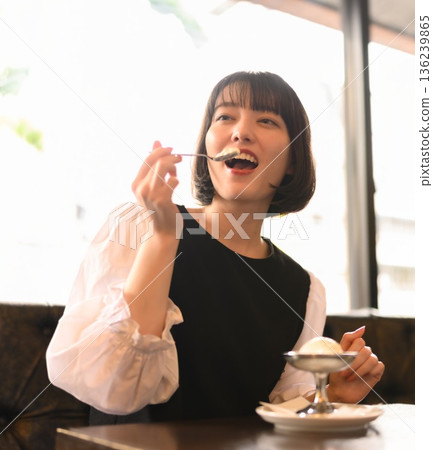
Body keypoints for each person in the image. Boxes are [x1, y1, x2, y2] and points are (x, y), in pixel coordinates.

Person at [46, 71, 384, 424]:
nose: (241, 131)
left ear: (292, 163)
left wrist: (330, 396)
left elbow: (278, 413)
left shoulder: (306, 290)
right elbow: (115, 391)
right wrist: (163, 236)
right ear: (207, 145)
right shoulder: (138, 224)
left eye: (266, 120)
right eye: (225, 116)